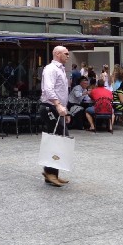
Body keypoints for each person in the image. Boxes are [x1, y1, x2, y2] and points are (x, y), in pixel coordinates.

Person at [39, 45, 71, 187]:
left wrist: (64, 110)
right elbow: (48, 89)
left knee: (60, 138)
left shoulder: (60, 69)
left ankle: (53, 173)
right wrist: (58, 105)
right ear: (57, 54)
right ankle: (50, 173)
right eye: (66, 53)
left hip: (57, 108)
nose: (68, 56)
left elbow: (62, 92)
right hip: (50, 107)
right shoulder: (51, 69)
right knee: (56, 139)